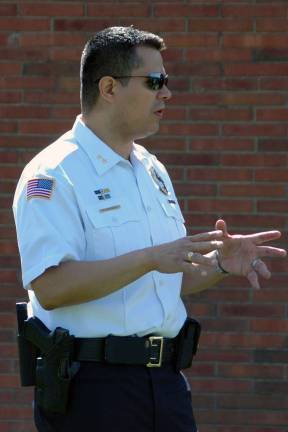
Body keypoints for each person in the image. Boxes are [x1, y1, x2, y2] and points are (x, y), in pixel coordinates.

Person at [12, 26, 286, 432]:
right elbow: (50, 287)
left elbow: (166, 278)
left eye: (166, 81)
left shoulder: (152, 170)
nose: (166, 93)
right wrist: (150, 259)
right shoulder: (53, 173)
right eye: (154, 81)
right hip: (92, 389)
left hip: (166, 384)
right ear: (108, 87)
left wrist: (219, 265)